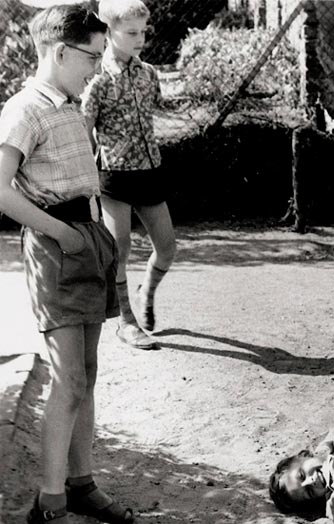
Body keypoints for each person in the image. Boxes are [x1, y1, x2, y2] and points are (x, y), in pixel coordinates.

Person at [0, 4, 134, 524]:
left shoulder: (70, 107)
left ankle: (81, 484)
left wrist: (101, 241)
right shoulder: (24, 110)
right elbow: (1, 189)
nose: (96, 70)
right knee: (68, 380)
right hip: (58, 249)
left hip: (87, 239)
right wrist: (61, 232)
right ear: (59, 52)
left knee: (89, 371)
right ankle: (47, 504)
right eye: (91, 58)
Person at [82, 0, 176, 351]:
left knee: (167, 249)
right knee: (118, 249)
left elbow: (153, 115)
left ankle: (146, 292)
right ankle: (126, 321)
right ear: (109, 33)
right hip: (114, 176)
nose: (140, 39)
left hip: (149, 170)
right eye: (131, 32)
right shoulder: (97, 81)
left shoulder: (149, 74)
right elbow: (85, 131)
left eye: (143, 32)